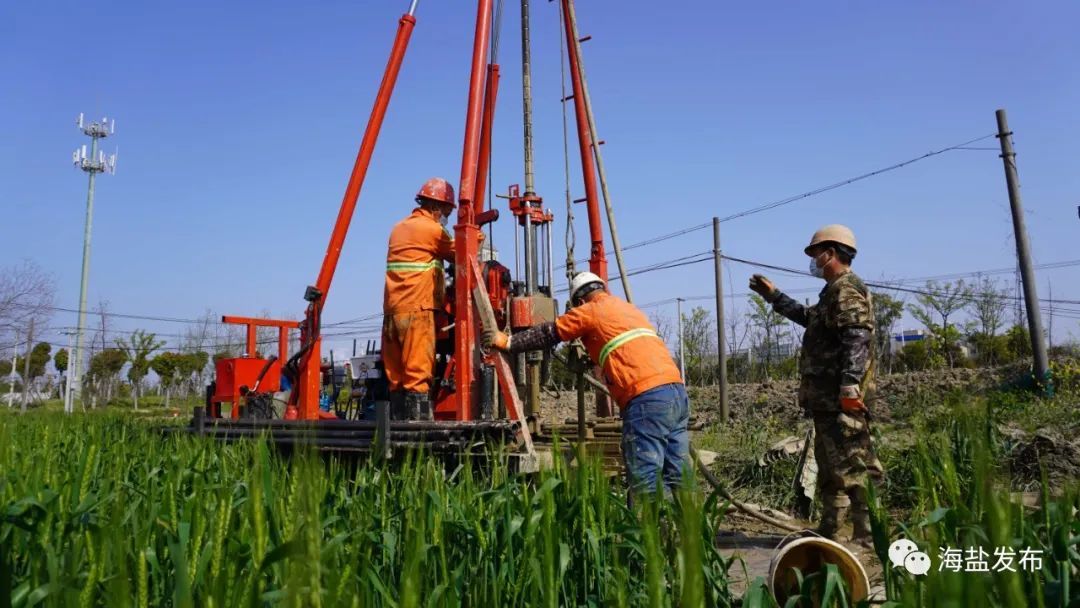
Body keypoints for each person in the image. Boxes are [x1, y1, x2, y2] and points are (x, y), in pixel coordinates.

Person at [483, 272, 690, 496]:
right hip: (676, 393)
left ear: (580, 302)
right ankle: (691, 526)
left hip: (645, 398)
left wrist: (509, 341)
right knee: (679, 474)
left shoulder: (590, 310)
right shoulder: (628, 309)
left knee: (645, 479)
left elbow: (549, 333)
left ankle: (655, 529)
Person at [748, 224, 883, 547]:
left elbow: (857, 336)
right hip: (827, 400)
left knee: (856, 464)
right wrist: (775, 298)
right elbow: (811, 318)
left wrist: (850, 385)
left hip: (841, 399)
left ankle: (868, 535)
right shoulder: (833, 291)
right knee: (831, 466)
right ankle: (833, 530)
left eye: (815, 254)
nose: (813, 261)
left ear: (830, 254)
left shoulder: (846, 289)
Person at [382, 177, 457, 421]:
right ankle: (419, 436)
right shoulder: (432, 229)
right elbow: (459, 252)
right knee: (417, 375)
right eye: (446, 210)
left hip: (393, 312)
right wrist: (476, 234)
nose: (446, 216)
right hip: (418, 309)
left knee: (397, 377)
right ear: (436, 206)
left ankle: (395, 432)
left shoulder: (398, 228)